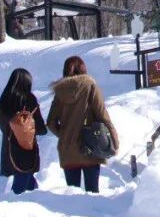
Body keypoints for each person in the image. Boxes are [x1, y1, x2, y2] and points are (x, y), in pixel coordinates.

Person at [46, 56, 118, 193]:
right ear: (83, 68)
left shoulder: (60, 91)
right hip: (90, 146)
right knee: (92, 193)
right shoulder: (90, 87)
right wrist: (114, 140)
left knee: (73, 195)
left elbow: (51, 122)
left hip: (68, 150)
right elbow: (102, 115)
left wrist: (65, 135)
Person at [0, 68, 47, 194]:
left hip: (9, 147)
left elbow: (2, 123)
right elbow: (40, 128)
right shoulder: (29, 99)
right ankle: (15, 204)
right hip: (27, 147)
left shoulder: (4, 99)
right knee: (22, 183)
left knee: (25, 180)